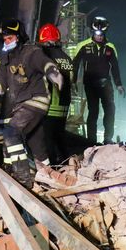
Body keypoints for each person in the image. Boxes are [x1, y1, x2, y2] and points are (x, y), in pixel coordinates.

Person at [0, 19, 64, 188]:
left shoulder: (31, 52)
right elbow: (0, 83)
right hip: (20, 105)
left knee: (11, 133)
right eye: (5, 39)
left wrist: (53, 73)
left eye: (10, 38)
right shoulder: (6, 59)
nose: (7, 42)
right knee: (36, 142)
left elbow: (45, 63)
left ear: (19, 37)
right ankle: (46, 173)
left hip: (35, 101)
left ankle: (23, 179)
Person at [72, 16, 125, 144]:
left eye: (102, 34)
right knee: (93, 111)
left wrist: (119, 84)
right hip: (90, 84)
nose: (99, 37)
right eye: (97, 34)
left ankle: (108, 138)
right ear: (92, 32)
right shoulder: (83, 46)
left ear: (105, 33)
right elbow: (75, 65)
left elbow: (115, 67)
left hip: (106, 83)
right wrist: (73, 82)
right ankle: (91, 140)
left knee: (110, 110)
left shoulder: (110, 47)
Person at [37, 22, 74, 165]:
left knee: (47, 140)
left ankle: (52, 167)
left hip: (50, 105)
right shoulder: (67, 58)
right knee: (60, 137)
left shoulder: (45, 56)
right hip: (64, 107)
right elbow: (71, 80)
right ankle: (66, 163)